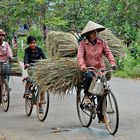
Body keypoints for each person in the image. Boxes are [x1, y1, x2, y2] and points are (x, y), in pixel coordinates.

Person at [77, 21, 117, 122]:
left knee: (101, 91)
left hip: (99, 69)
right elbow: (80, 56)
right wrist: (82, 65)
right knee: (89, 77)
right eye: (93, 32)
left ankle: (102, 117)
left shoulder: (102, 42)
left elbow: (108, 53)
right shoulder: (83, 44)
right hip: (88, 69)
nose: (95, 34)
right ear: (88, 34)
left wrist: (112, 62)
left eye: (96, 32)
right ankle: (86, 95)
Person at [23, 35, 46, 113]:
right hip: (30, 67)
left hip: (39, 68)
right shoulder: (27, 50)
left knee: (43, 86)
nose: (32, 44)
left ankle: (40, 104)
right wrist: (26, 63)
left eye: (33, 43)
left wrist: (46, 63)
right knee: (32, 79)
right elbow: (25, 58)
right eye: (30, 43)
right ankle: (27, 90)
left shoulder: (40, 50)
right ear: (28, 44)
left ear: (35, 42)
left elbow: (44, 58)